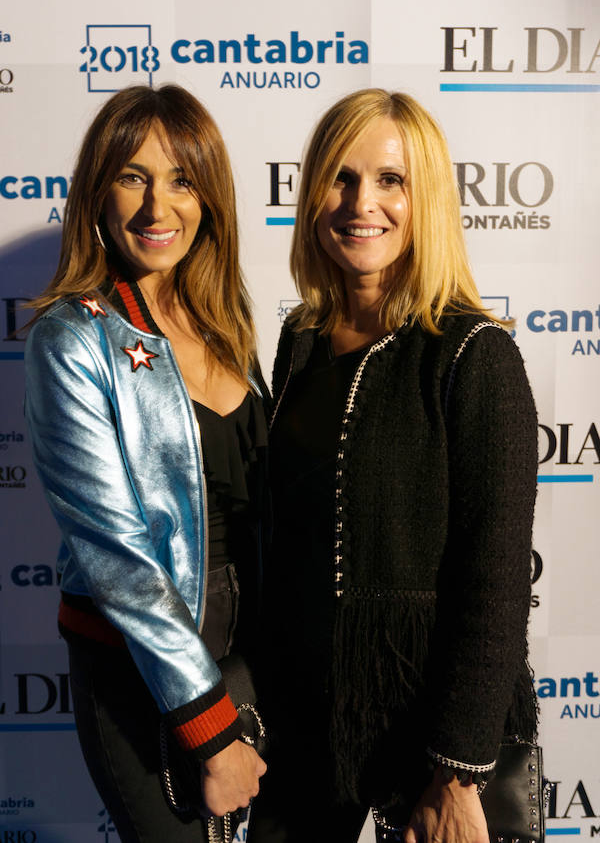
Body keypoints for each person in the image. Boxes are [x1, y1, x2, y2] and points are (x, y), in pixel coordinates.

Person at [248, 89, 538, 843]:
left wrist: (457, 771)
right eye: (340, 178)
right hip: (303, 728)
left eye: (390, 181)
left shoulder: (474, 354)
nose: (360, 202)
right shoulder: (300, 340)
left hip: (427, 735)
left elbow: (496, 580)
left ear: (427, 199)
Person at [25, 84, 268, 843]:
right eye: (132, 176)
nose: (157, 208)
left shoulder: (228, 323)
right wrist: (212, 730)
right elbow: (115, 555)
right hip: (143, 681)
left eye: (181, 180)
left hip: (255, 665)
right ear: (98, 190)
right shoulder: (70, 340)